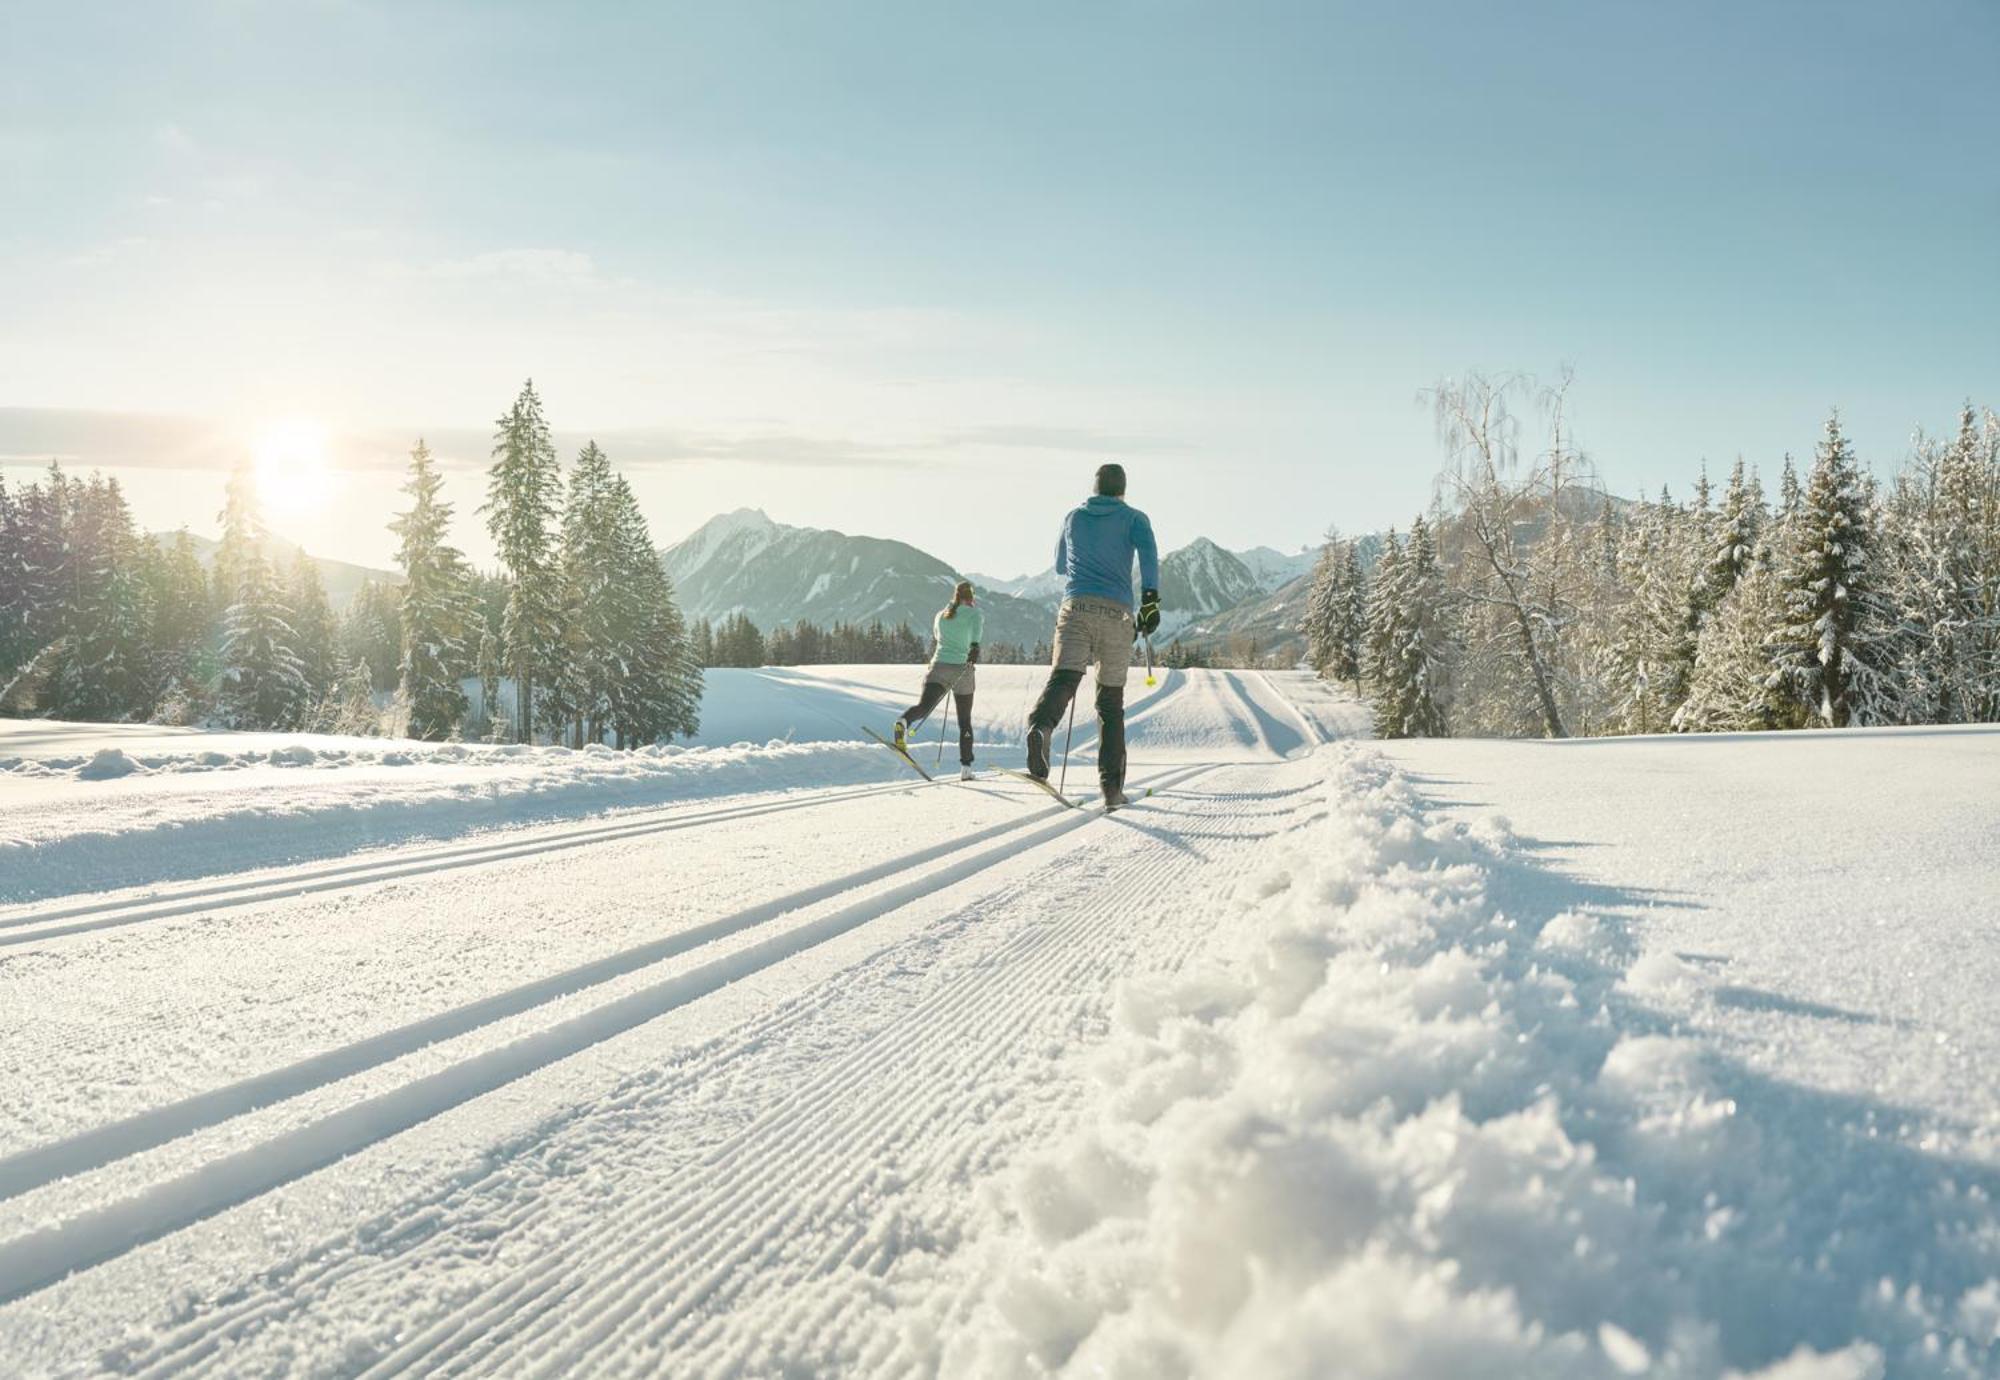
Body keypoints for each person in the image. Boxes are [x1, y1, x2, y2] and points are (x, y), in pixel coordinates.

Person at [1025, 463, 1160, 806]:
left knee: (1065, 677)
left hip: (1076, 607)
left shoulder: (1074, 517)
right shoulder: (1135, 519)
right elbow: (1149, 557)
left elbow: (1059, 566)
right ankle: (1112, 791)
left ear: (1095, 487)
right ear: (1122, 490)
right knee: (1110, 704)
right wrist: (1150, 602)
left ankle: (1041, 728)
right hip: (1117, 614)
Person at [891, 579, 983, 780]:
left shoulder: (940, 615)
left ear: (955, 596)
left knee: (924, 707)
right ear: (971, 597)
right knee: (964, 722)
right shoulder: (975, 614)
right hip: (962, 669)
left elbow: (937, 636)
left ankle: (903, 721)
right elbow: (975, 641)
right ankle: (966, 769)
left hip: (939, 666)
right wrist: (973, 649)